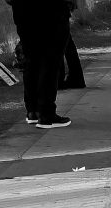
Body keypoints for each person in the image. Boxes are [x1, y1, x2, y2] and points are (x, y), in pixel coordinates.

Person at [8, 0, 73, 128]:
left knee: (32, 60)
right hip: (51, 12)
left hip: (23, 13)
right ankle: (46, 113)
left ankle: (33, 110)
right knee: (50, 62)